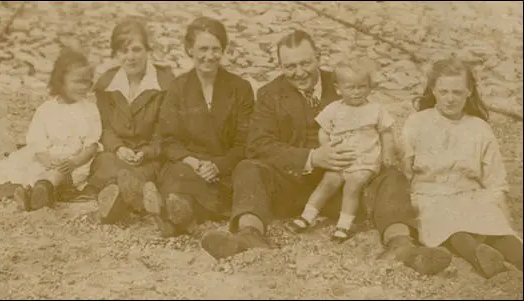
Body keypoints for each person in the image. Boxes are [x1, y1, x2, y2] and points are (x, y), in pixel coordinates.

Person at [200, 29, 452, 276]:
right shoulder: (270, 94)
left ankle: (401, 245)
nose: (299, 72)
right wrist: (311, 157)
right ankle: (248, 235)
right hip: (292, 186)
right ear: (280, 66)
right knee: (249, 167)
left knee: (391, 176)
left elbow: (378, 124)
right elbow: (258, 144)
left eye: (305, 63)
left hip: (346, 186)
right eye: (289, 67)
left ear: (318, 57)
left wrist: (377, 156)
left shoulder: (345, 82)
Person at [400, 57, 523, 279]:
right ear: (433, 91)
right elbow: (405, 171)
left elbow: (495, 180)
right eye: (444, 91)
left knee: (496, 228)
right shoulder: (417, 123)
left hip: (471, 194)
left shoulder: (480, 129)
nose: (450, 99)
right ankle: (482, 259)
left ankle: (515, 257)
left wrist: (507, 222)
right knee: (454, 229)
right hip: (431, 195)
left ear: (469, 92)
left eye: (457, 92)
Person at [141, 16, 255, 238]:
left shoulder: (240, 88)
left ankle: (177, 217)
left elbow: (246, 141)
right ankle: (179, 212)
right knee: (177, 175)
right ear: (189, 49)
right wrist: (193, 162)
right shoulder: (178, 87)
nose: (209, 56)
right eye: (202, 48)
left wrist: (218, 166)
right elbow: (168, 140)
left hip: (225, 168)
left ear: (223, 51)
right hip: (189, 165)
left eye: (216, 49)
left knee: (242, 176)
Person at [286, 59, 396, 242]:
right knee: (327, 182)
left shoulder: (375, 109)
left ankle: (344, 225)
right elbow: (323, 130)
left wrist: (388, 152)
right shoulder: (334, 109)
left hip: (364, 161)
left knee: (352, 185)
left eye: (362, 87)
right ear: (338, 89)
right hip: (339, 160)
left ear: (369, 87)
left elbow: (386, 132)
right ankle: (307, 216)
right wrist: (326, 147)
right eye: (351, 87)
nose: (356, 92)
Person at [88, 18, 175, 223]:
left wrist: (146, 152)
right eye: (123, 51)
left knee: (150, 171)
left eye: (136, 50)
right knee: (104, 162)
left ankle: (118, 200)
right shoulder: (107, 84)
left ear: (147, 50)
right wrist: (118, 148)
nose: (130, 57)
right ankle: (136, 196)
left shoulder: (165, 84)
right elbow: (105, 127)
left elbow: (165, 132)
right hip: (116, 156)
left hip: (149, 157)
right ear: (115, 54)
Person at [0, 48, 101, 211]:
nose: (83, 87)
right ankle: (29, 194)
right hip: (45, 158)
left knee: (57, 175)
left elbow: (92, 145)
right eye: (77, 81)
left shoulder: (90, 110)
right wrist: (45, 158)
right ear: (60, 81)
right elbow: (37, 142)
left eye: (87, 82)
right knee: (20, 170)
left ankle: (41, 192)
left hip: (72, 163)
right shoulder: (46, 109)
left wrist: (75, 162)